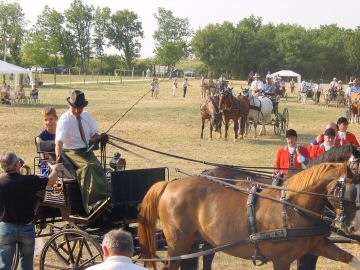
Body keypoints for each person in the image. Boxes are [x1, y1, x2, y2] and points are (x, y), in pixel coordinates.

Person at [0, 151, 63, 270]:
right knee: (27, 264)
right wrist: (55, 170)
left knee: (4, 265)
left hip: (6, 228)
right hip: (26, 228)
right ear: (17, 165)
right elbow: (50, 182)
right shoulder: (29, 180)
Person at [55, 90, 107, 215]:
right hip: (71, 151)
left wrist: (101, 137)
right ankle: (91, 205)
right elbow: (59, 141)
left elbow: (93, 134)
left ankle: (105, 199)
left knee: (98, 167)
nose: (78, 111)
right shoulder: (65, 119)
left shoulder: (87, 116)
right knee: (87, 167)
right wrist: (58, 157)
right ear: (71, 106)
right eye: (76, 108)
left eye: (81, 108)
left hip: (86, 150)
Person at [36, 107, 58, 176]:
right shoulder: (40, 138)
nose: (48, 122)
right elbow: (45, 159)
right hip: (48, 165)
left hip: (63, 162)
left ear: (56, 118)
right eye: (46, 120)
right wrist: (54, 168)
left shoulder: (63, 133)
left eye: (51, 119)